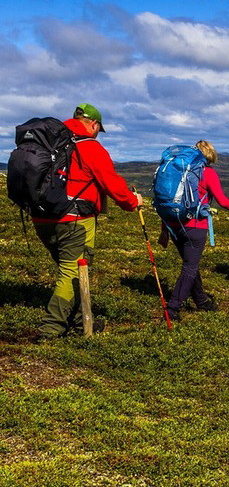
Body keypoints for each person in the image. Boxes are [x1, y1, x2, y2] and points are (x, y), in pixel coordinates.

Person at [32, 104, 142, 340]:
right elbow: (112, 184)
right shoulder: (90, 147)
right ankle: (51, 329)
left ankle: (83, 318)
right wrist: (132, 202)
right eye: (98, 129)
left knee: (70, 269)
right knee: (72, 270)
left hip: (41, 217)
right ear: (94, 124)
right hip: (75, 219)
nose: (96, 133)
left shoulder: (51, 142)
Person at [161, 140, 229, 320]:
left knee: (190, 265)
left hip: (174, 225)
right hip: (195, 227)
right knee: (189, 268)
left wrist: (164, 228)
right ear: (210, 156)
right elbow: (223, 201)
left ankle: (201, 300)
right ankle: (172, 309)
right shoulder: (208, 173)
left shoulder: (179, 171)